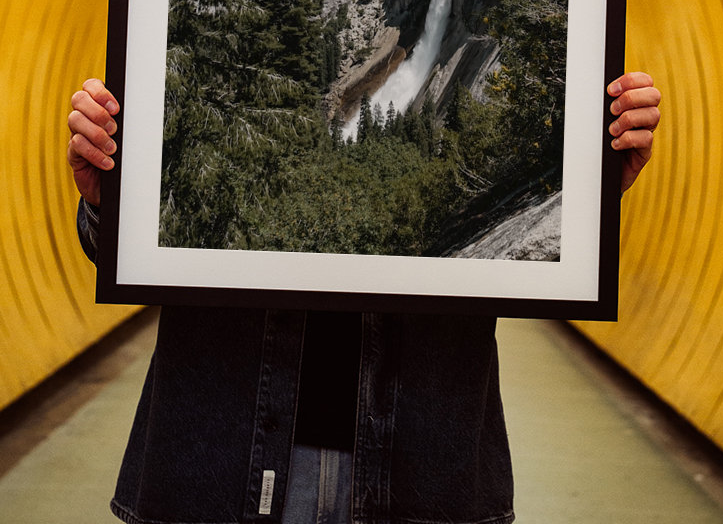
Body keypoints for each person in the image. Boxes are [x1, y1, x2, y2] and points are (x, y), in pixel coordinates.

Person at [68, 72, 661, 524]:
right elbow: (129, 249)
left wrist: (588, 190)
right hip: (220, 455)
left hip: (422, 464)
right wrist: (110, 201)